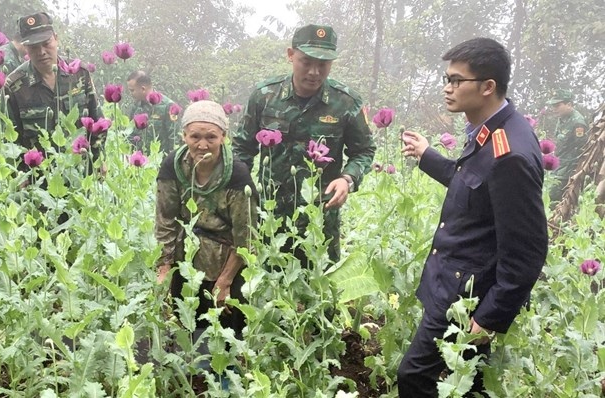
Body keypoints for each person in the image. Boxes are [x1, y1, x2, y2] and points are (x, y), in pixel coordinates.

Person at [398, 37, 548, 396]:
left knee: (414, 377)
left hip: (467, 299)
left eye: (456, 80)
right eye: (446, 79)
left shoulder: (509, 152)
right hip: (456, 282)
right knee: (467, 384)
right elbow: (474, 188)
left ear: (487, 87)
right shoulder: (490, 130)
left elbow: (527, 251)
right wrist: (427, 156)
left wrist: (489, 318)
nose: (447, 88)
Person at [232, 24, 375, 264]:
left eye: (323, 64)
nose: (314, 72)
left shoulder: (346, 102)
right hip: (271, 217)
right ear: (291, 55)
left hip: (320, 221)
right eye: (306, 62)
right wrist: (241, 195)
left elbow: (364, 151)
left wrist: (347, 179)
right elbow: (242, 149)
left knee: (320, 292)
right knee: (272, 289)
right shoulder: (264, 96)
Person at [155, 100, 257, 341]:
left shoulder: (236, 174)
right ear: (184, 136)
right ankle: (197, 372)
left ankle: (224, 373)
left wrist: (225, 280)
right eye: (195, 136)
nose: (202, 145)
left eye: (211, 137)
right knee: (190, 324)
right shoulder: (173, 167)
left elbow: (246, 236)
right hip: (186, 255)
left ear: (224, 136)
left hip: (228, 259)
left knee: (226, 329)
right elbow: (165, 220)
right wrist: (164, 267)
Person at [5, 12, 105, 167]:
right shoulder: (15, 86)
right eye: (33, 47)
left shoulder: (79, 74)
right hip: (39, 179)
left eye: (46, 43)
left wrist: (100, 160)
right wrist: (18, 175)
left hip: (81, 172)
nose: (41, 52)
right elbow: (11, 141)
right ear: (25, 48)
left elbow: (98, 120)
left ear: (56, 38)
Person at [545, 89, 589, 202]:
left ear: (569, 104)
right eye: (553, 106)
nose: (554, 109)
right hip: (559, 164)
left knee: (552, 198)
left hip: (568, 169)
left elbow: (581, 149)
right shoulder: (562, 118)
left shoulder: (578, 123)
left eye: (557, 105)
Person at [127, 70, 177, 153]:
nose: (131, 94)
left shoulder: (168, 106)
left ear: (143, 89)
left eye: (132, 90)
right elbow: (131, 133)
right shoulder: (136, 106)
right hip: (139, 161)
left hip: (160, 161)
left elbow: (174, 140)